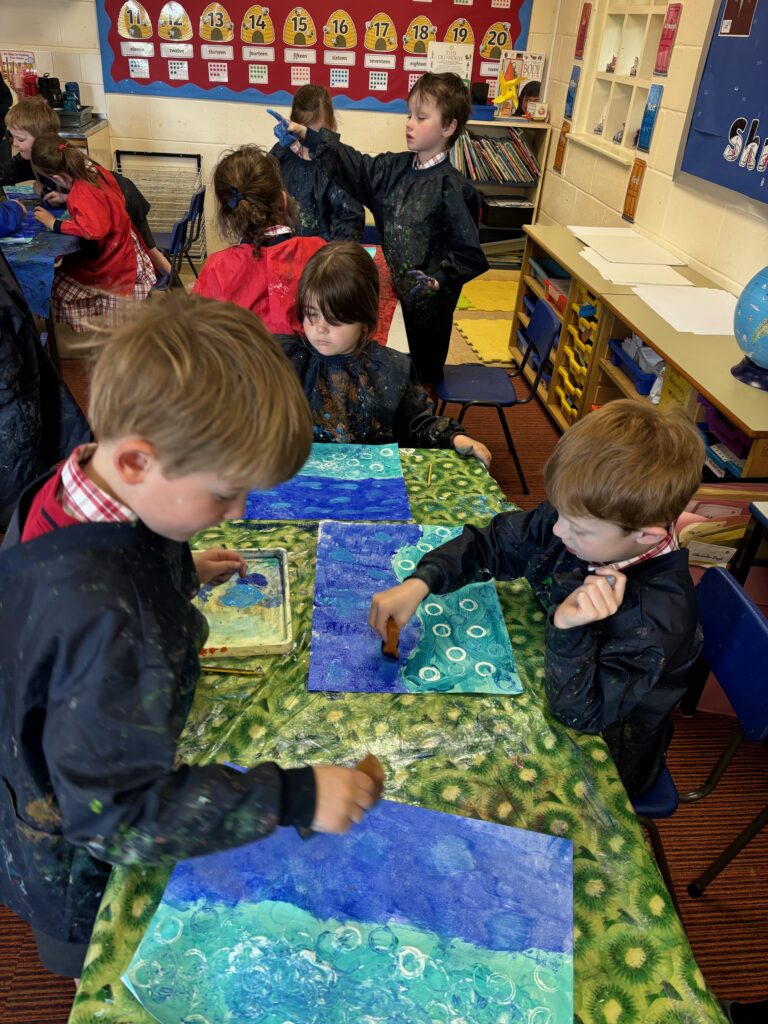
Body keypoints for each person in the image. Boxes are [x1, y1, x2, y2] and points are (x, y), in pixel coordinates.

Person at [0, 292, 380, 979]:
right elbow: (115, 817)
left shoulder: (79, 476)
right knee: (94, 959)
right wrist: (294, 797)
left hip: (49, 745)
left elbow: (94, 559)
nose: (236, 512)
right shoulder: (118, 626)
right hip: (69, 852)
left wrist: (171, 566)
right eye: (225, 493)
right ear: (141, 462)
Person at [370, 399, 706, 798]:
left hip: (608, 755)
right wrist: (421, 582)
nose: (559, 531)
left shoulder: (656, 616)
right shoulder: (582, 520)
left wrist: (568, 627)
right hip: (549, 676)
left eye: (578, 529)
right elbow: (493, 543)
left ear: (646, 535)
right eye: (558, 512)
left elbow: (582, 714)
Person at [285, 72, 489, 384]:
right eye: (409, 115)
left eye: (421, 117)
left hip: (428, 313)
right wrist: (307, 135)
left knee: (418, 380)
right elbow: (355, 165)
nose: (409, 123)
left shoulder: (454, 188)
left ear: (448, 127)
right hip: (395, 294)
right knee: (386, 370)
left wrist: (437, 281)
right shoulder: (394, 169)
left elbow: (470, 255)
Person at [279, 240, 491, 465]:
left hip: (370, 481)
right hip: (301, 481)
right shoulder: (285, 360)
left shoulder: (391, 368)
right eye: (311, 314)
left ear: (365, 318)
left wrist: (453, 438)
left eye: (334, 318)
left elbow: (417, 425)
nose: (320, 327)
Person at [1, 98, 171, 278]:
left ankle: (177, 290)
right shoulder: (35, 158)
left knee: (148, 253)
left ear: (43, 138)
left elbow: (90, 214)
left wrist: (50, 208)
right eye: (12, 137)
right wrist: (59, 196)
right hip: (109, 200)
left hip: (125, 199)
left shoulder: (59, 160)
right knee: (141, 257)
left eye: (20, 139)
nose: (14, 144)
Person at [192, 145, 326, 335]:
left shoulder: (216, 268)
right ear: (283, 199)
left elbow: (197, 337)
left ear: (229, 216)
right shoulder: (318, 253)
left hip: (243, 363)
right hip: (303, 364)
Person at [30, 135, 156, 331]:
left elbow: (93, 230)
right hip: (125, 247)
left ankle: (120, 353)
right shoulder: (92, 169)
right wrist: (66, 197)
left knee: (62, 287)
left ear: (55, 178)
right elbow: (103, 199)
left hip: (117, 262)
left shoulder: (82, 191)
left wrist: (54, 223)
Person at [270, 85, 364, 242]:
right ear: (293, 124)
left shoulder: (338, 162)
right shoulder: (279, 157)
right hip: (284, 255)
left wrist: (332, 259)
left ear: (332, 126)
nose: (312, 141)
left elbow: (350, 220)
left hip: (325, 260)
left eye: (320, 135)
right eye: (305, 133)